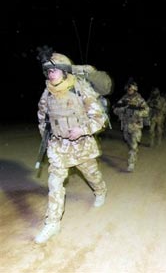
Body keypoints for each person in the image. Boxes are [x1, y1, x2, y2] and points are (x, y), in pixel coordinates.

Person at [34, 49, 108, 244]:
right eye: (47, 71)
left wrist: (82, 130)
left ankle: (100, 191)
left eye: (54, 70)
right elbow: (42, 117)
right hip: (59, 147)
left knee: (92, 175)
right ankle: (52, 223)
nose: (50, 75)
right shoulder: (47, 92)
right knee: (54, 183)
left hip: (81, 145)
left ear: (65, 71)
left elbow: (100, 118)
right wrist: (47, 137)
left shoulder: (80, 88)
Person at [113, 78, 149, 172]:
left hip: (136, 126)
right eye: (128, 89)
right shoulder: (124, 99)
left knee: (133, 145)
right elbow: (115, 109)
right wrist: (123, 109)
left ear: (135, 89)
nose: (129, 91)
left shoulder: (140, 100)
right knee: (130, 144)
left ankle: (131, 163)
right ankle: (133, 153)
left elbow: (146, 111)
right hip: (125, 126)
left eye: (131, 89)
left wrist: (136, 113)